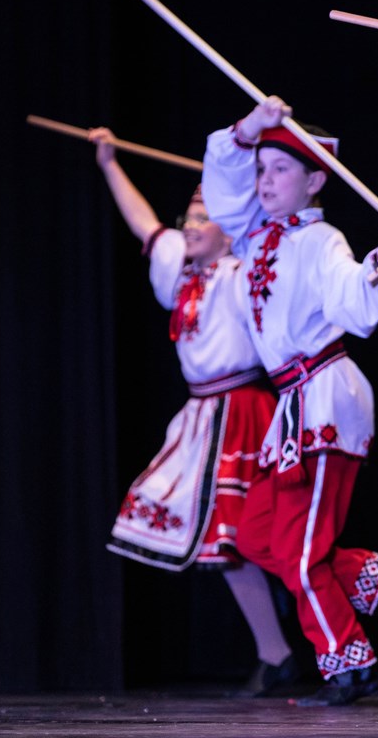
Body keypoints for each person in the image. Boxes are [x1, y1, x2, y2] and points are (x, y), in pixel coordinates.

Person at [200, 99, 378, 706]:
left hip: (324, 398)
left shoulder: (322, 240)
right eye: (261, 169)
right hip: (292, 407)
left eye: (279, 170)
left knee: (299, 554)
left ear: (316, 180)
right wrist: (245, 129)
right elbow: (221, 188)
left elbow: (355, 299)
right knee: (253, 536)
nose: (264, 181)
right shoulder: (254, 233)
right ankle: (377, 579)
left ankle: (350, 665)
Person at [91, 128, 299, 697]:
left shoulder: (241, 274)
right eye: (188, 213)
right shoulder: (179, 273)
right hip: (203, 415)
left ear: (230, 227)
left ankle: (316, 624)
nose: (188, 223)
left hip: (245, 411)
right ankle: (278, 651)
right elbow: (144, 224)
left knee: (249, 538)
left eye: (202, 215)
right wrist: (110, 162)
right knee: (227, 543)